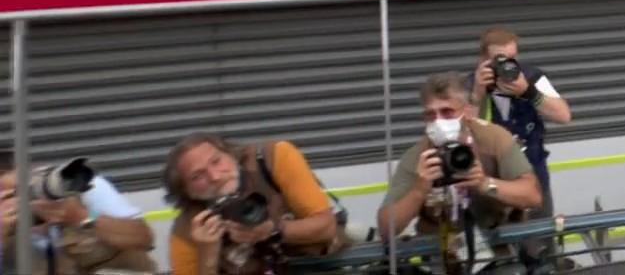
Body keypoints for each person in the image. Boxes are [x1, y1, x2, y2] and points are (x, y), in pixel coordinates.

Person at [377, 73, 543, 274]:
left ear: (465, 111)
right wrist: (420, 189)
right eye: (430, 114)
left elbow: (533, 196)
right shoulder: (418, 157)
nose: (438, 121)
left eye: (447, 112)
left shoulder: (494, 138)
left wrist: (485, 183)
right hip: (439, 255)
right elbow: (386, 228)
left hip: (494, 250)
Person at [163, 133, 340, 275]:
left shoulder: (273, 157)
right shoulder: (187, 230)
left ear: (230, 154)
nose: (215, 177)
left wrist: (273, 230)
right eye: (198, 176)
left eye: (216, 161)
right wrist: (208, 253)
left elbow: (326, 227)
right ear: (187, 191)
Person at [468, 28, 572, 224]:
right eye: (500, 60)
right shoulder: (469, 85)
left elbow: (564, 115)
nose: (507, 66)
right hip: (492, 184)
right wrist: (477, 93)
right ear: (483, 60)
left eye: (512, 59)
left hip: (533, 177)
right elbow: (461, 132)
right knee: (500, 249)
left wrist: (529, 92)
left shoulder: (531, 77)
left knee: (541, 245)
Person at [0, 150, 155, 274]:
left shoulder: (76, 186)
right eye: (9, 196)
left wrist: (82, 217)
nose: (20, 200)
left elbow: (143, 238)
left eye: (21, 189)